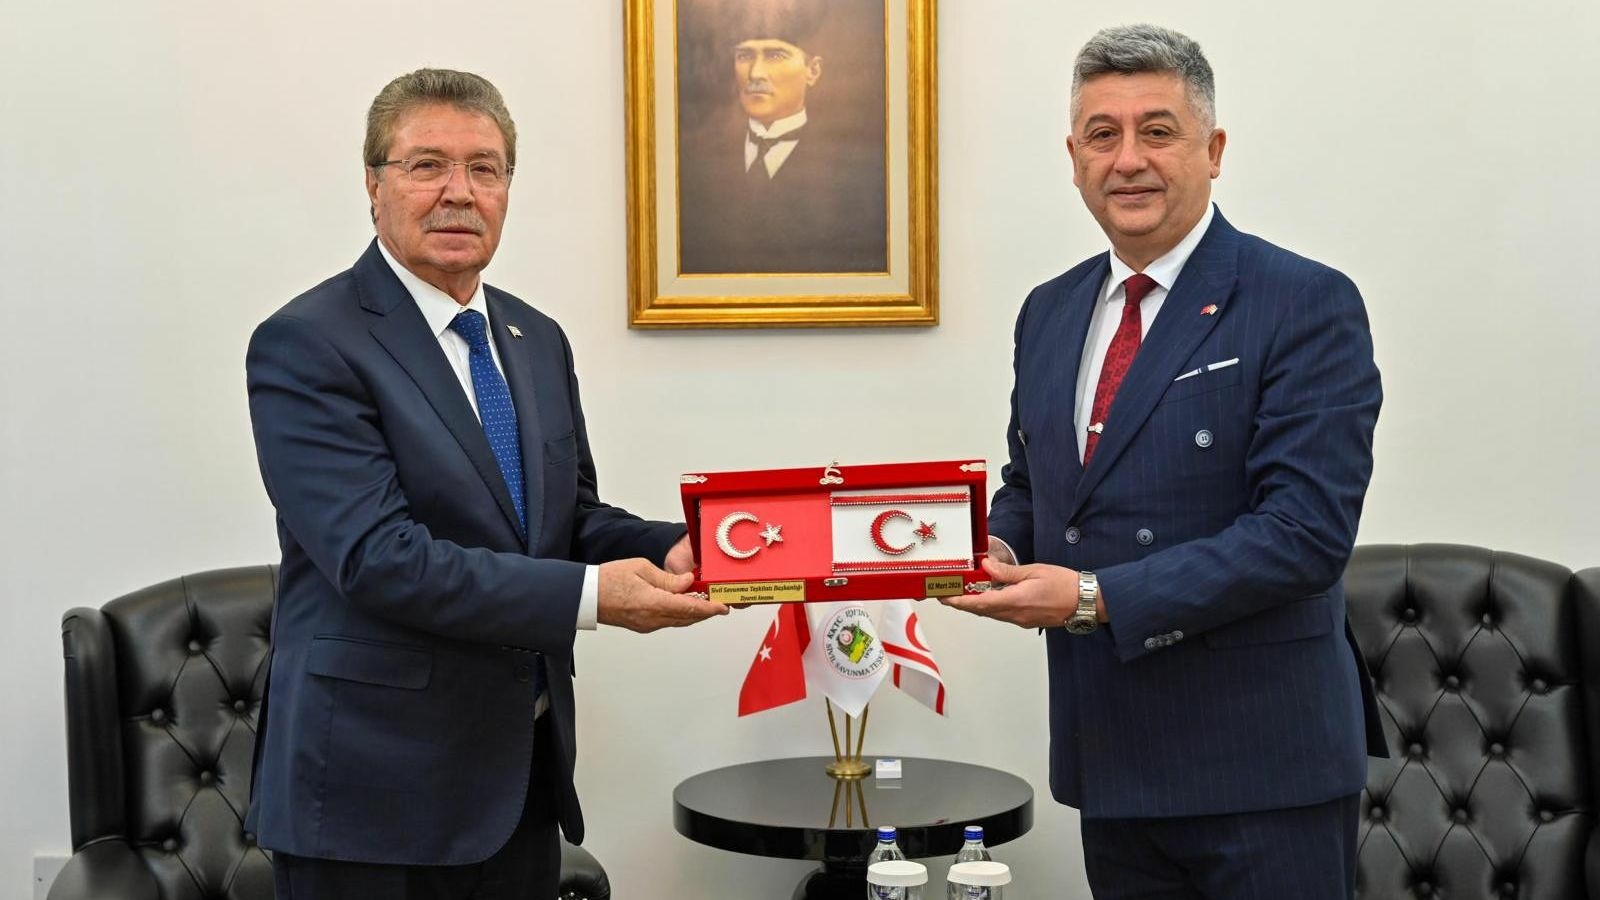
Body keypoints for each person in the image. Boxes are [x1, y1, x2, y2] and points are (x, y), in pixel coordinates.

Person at [244, 68, 728, 899]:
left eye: (484, 168)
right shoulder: (307, 343)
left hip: (517, 785)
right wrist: (593, 598)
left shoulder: (534, 338)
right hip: (371, 797)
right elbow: (378, 558)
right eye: (426, 165)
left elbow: (565, 519)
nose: (459, 192)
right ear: (374, 184)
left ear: (507, 188)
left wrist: (683, 546)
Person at [944, 25, 1386, 899]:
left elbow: (1304, 535)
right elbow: (1035, 483)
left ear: (1212, 150)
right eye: (1102, 135)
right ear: (1074, 159)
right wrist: (989, 546)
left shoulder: (1303, 301)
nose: (1128, 160)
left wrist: (1093, 597)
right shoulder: (1049, 311)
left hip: (1261, 764)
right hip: (1111, 751)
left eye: (1157, 131)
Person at [677, 1, 887, 275]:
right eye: (744, 55)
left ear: (813, 71)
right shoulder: (695, 164)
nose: (755, 73)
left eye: (775, 55)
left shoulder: (858, 175)